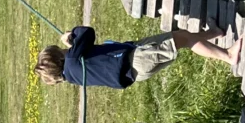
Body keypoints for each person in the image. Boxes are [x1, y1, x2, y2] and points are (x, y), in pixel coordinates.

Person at [34, 24, 231, 89]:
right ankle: (229, 56)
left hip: (135, 69)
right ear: (59, 57)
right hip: (136, 59)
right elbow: (87, 32)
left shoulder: (73, 77)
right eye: (61, 49)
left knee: (178, 37)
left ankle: (213, 33)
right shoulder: (71, 61)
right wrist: (71, 35)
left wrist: (73, 47)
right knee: (184, 39)